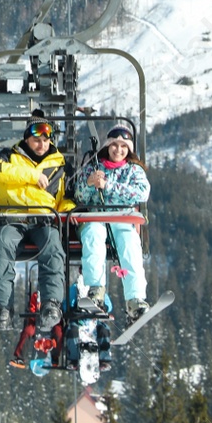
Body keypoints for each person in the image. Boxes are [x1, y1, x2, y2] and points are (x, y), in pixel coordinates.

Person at [0, 119, 71, 332]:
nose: (41, 145)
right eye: (36, 140)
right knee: (1, 245)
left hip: (44, 218)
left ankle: (51, 304)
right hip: (13, 217)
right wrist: (33, 176)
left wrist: (68, 210)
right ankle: (3, 307)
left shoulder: (59, 164)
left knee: (52, 248)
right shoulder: (9, 156)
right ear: (26, 140)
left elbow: (69, 193)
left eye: (44, 140)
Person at [75, 125, 150, 322]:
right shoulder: (93, 166)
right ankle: (96, 290)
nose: (118, 150)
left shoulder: (134, 170)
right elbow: (78, 194)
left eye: (123, 146)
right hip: (96, 216)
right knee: (93, 237)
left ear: (129, 149)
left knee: (129, 245)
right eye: (114, 145)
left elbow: (141, 193)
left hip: (122, 217)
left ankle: (135, 299)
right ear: (108, 146)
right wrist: (90, 184)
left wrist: (108, 186)